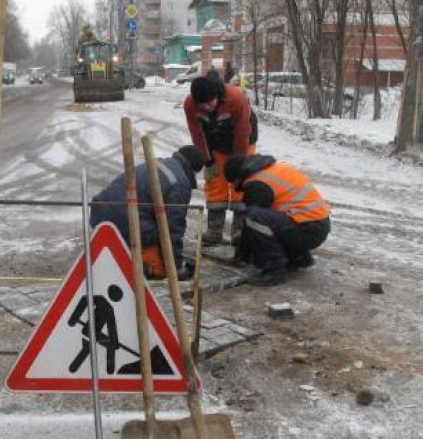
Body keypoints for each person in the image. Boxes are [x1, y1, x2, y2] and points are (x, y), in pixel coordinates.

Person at [90, 145, 206, 281]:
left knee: (151, 221)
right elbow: (172, 228)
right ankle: (135, 268)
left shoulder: (158, 163)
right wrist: (175, 267)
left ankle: (119, 256)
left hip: (99, 213)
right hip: (126, 220)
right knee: (161, 266)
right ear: (194, 169)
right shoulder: (180, 182)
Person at [225, 154, 331, 287]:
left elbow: (251, 223)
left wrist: (241, 254)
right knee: (272, 220)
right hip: (317, 226)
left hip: (307, 229)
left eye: (232, 183)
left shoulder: (257, 184)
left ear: (238, 177)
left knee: (255, 218)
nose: (235, 188)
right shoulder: (273, 169)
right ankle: (298, 258)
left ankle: (274, 270)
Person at [183, 70, 258, 245]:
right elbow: (197, 133)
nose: (208, 108)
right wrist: (207, 161)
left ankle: (240, 231)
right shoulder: (190, 105)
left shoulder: (236, 98)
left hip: (244, 139)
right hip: (216, 141)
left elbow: (242, 132)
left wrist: (240, 163)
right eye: (203, 105)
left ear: (217, 95)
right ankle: (215, 230)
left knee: (241, 184)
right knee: (215, 182)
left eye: (210, 103)